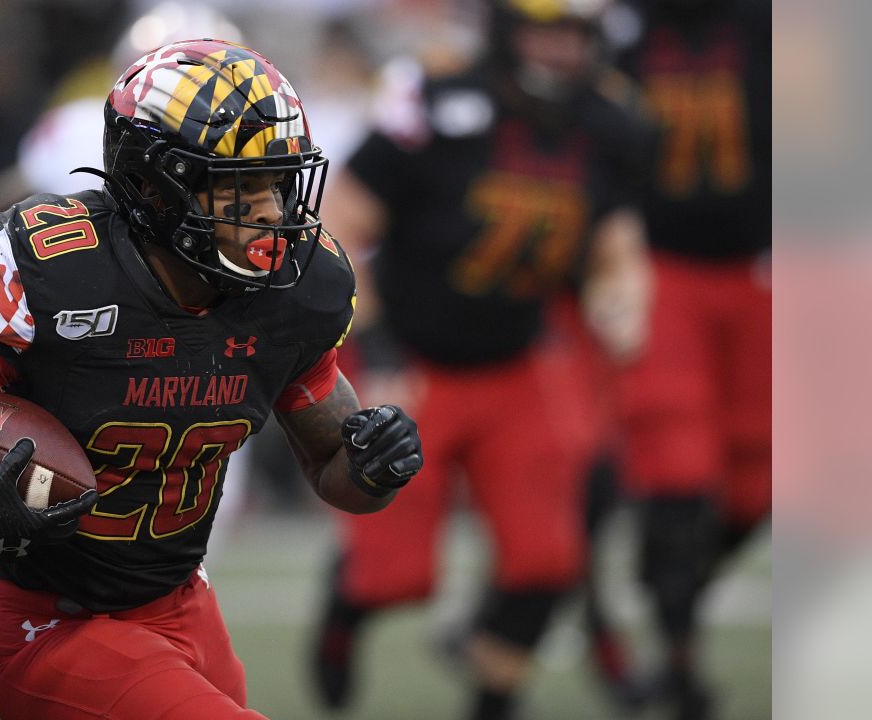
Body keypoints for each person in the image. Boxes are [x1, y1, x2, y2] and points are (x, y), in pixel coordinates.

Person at [0, 39, 423, 720]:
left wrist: (374, 467)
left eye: (277, 183)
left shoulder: (294, 291)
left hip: (181, 600)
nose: (272, 214)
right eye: (238, 187)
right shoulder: (58, 275)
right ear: (153, 184)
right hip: (49, 622)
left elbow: (333, 472)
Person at [308, 2, 653, 718]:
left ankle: (493, 701)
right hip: (417, 360)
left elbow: (616, 246)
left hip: (518, 361)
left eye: (576, 34)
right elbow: (341, 218)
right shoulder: (438, 100)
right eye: (546, 30)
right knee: (394, 577)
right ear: (505, 27)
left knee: (546, 560)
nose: (561, 51)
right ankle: (344, 610)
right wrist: (372, 341)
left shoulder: (607, 123)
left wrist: (620, 297)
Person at [607, 1, 771, 717]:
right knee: (677, 469)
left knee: (758, 482)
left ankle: (669, 591)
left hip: (764, 264)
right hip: (658, 266)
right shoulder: (617, 30)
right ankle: (678, 664)